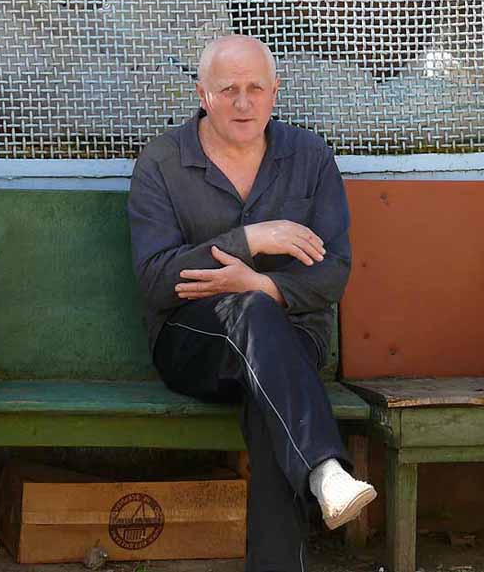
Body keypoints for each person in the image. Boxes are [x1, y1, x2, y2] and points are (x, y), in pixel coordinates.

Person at [128, 34, 376, 571]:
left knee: (267, 382)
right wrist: (250, 240)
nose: (244, 103)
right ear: (202, 94)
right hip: (193, 346)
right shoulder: (163, 161)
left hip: (294, 340)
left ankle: (319, 481)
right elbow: (155, 279)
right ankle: (325, 467)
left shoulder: (309, 157)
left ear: (275, 92)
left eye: (256, 89)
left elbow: (334, 273)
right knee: (256, 321)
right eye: (228, 90)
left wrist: (259, 284)